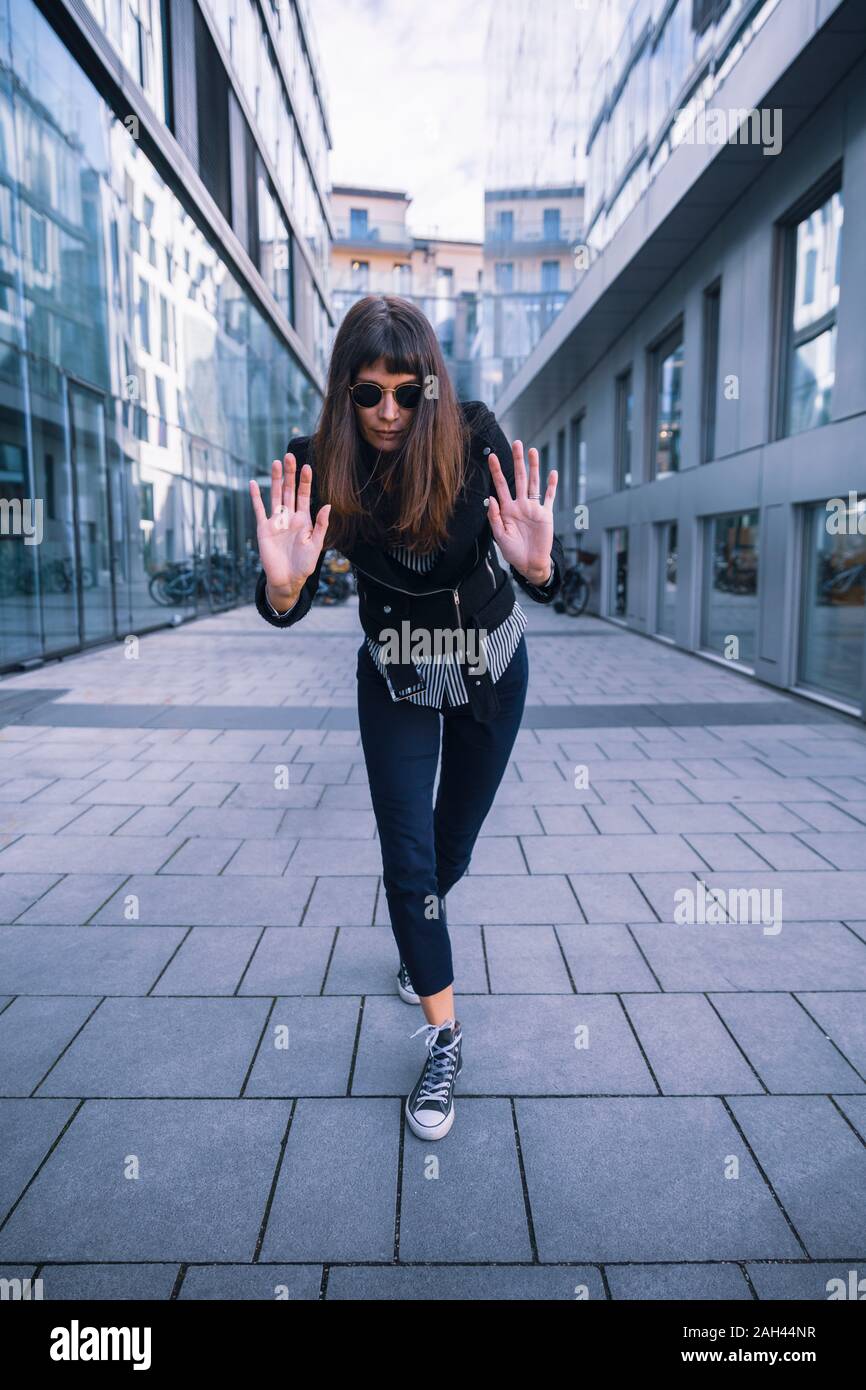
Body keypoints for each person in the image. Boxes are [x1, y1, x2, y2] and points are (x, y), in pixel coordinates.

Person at [249, 295, 564, 1140]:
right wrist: (283, 588)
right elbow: (288, 598)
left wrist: (539, 570)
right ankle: (444, 1034)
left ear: (431, 386)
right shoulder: (314, 464)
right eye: (367, 393)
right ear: (343, 393)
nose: (388, 412)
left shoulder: (472, 437)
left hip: (489, 667)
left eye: (406, 391)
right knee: (409, 855)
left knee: (449, 847)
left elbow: (544, 573)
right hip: (395, 675)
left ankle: (414, 929)